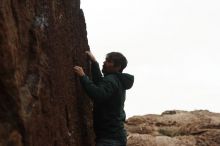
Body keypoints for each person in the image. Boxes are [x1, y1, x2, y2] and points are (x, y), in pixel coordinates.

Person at [74, 51, 134, 146]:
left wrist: (83, 77)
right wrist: (94, 63)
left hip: (110, 138)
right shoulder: (116, 80)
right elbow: (100, 84)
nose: (104, 62)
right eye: (105, 60)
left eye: (109, 61)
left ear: (118, 67)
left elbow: (98, 94)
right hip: (114, 136)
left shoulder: (112, 80)